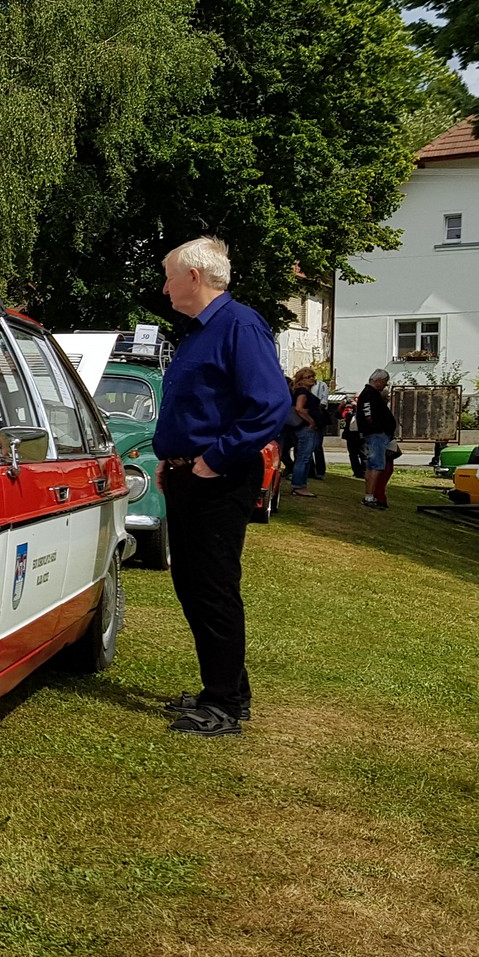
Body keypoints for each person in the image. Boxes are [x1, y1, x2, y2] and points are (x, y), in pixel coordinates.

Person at [151, 237, 291, 737]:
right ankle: (229, 688)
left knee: (212, 587)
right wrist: (172, 459)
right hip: (189, 474)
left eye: (168, 276)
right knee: (193, 585)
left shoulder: (239, 325)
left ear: (193, 277)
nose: (164, 287)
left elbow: (270, 404)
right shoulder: (200, 332)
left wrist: (215, 458)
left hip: (219, 478)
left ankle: (223, 705)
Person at [353, 369, 399, 509]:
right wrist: (377, 428)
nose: (385, 385)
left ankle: (371, 495)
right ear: (378, 380)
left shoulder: (371, 394)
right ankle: (370, 496)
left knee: (374, 465)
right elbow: (368, 415)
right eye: (385, 382)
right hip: (376, 435)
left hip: (377, 434)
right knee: (376, 465)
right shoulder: (369, 394)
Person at [289, 366, 321, 497]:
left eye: (313, 376)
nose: (312, 379)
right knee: (304, 457)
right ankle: (298, 485)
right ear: (301, 379)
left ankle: (301, 485)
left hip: (304, 428)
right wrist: (311, 421)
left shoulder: (303, 391)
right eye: (309, 377)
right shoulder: (302, 391)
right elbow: (299, 408)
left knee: (304, 457)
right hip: (305, 428)